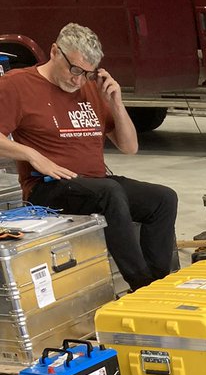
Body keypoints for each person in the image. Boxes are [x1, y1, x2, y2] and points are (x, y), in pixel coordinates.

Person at [0, 23, 177, 291]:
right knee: (110, 192)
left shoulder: (91, 89)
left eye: (87, 73)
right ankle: (141, 286)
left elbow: (129, 147)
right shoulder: (17, 84)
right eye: (75, 70)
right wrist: (32, 155)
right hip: (48, 189)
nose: (78, 80)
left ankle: (158, 284)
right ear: (55, 52)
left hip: (96, 185)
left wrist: (116, 103)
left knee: (163, 199)